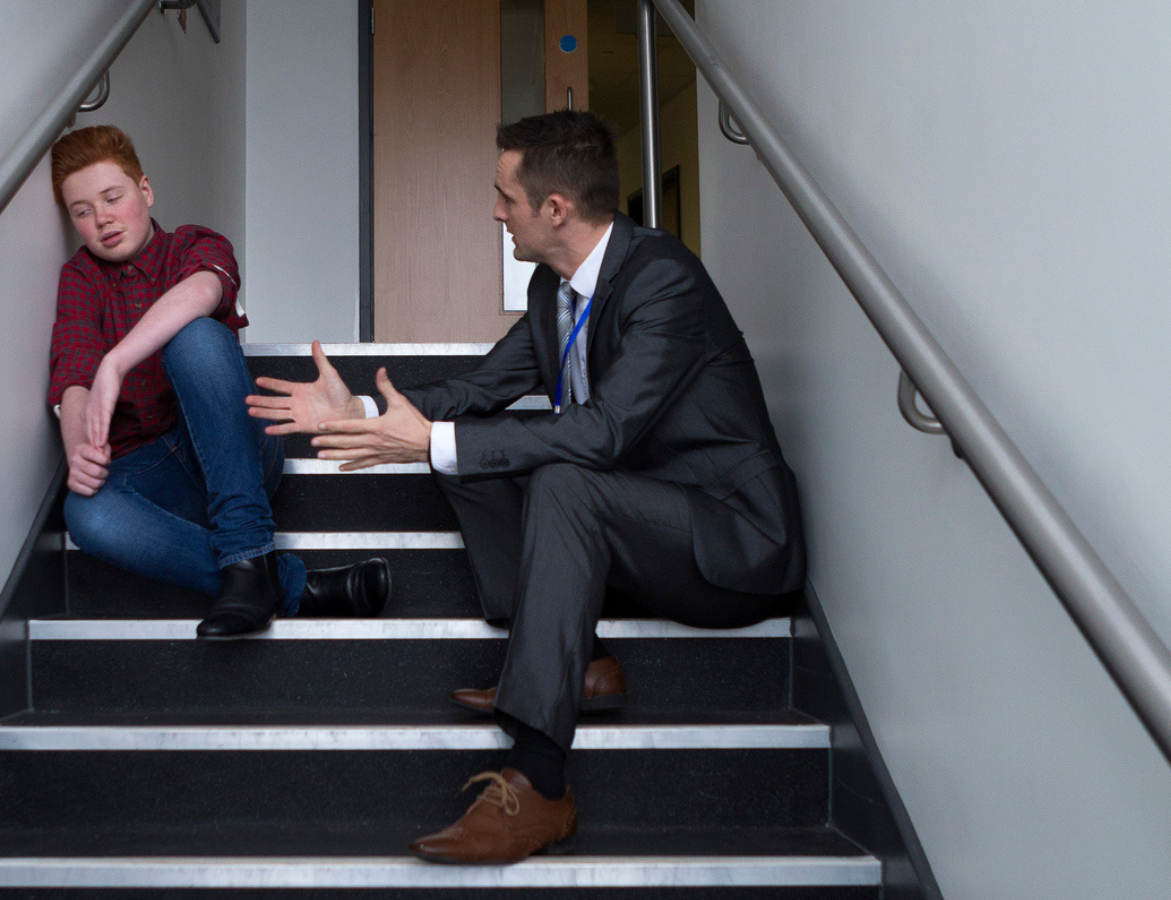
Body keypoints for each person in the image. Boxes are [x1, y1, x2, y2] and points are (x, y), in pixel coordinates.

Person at [247, 110, 805, 863]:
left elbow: (604, 433)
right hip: (636, 530)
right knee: (470, 451)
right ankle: (577, 656)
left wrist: (433, 440)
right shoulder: (554, 290)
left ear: (555, 209)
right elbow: (482, 390)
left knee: (544, 472)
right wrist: (368, 413)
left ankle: (539, 782)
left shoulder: (663, 279)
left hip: (728, 540)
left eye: (505, 196)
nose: (494, 212)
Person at [48, 125, 388, 638]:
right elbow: (73, 373)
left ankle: (247, 543)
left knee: (196, 337)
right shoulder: (80, 278)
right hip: (157, 474)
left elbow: (204, 291)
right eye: (82, 211)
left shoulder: (194, 242)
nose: (102, 219)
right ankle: (284, 581)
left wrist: (116, 361)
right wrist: (80, 453)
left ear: (145, 190)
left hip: (238, 451)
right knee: (86, 513)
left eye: (112, 198)